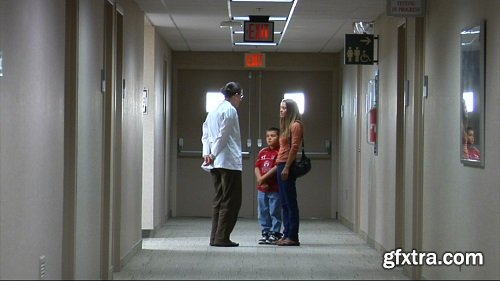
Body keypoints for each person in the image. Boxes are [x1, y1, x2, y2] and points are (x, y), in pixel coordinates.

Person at [201, 81, 244, 247]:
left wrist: (207, 154)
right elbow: (223, 136)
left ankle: (215, 236)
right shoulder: (230, 110)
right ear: (235, 95)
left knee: (219, 199)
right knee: (231, 200)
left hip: (215, 163)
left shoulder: (213, 110)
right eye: (240, 96)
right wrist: (212, 154)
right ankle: (222, 237)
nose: (240, 99)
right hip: (228, 162)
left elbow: (205, 133)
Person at [273, 99, 303, 246]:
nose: (281, 110)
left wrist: (286, 167)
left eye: (284, 108)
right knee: (284, 202)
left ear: (290, 110)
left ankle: (293, 235)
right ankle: (286, 234)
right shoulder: (285, 125)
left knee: (290, 202)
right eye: (280, 107)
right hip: (280, 163)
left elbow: (294, 148)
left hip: (287, 165)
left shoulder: (296, 125)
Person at [254, 127, 282, 245]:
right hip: (262, 188)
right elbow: (257, 167)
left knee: (274, 210)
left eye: (273, 136)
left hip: (274, 188)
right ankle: (265, 232)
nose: (269, 138)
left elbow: (276, 168)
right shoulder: (263, 152)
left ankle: (274, 233)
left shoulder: (280, 152)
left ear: (279, 138)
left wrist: (263, 179)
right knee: (263, 211)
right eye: (267, 136)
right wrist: (260, 179)